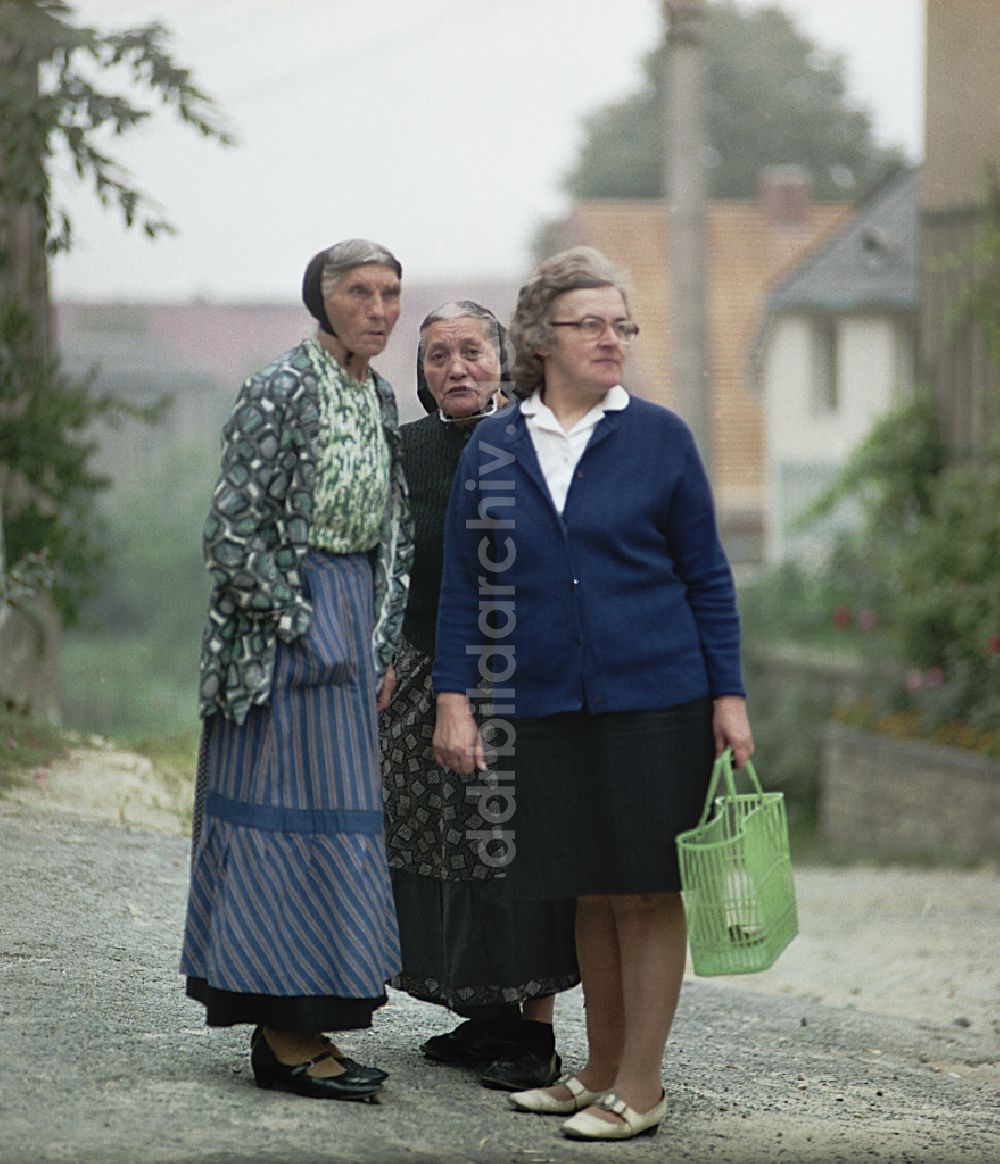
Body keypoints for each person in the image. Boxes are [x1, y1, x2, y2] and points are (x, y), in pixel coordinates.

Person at [432, 247, 754, 1142]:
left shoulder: (660, 436)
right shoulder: (497, 444)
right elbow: (466, 580)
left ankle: (641, 1086)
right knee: (588, 888)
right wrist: (453, 695)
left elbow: (708, 577)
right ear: (543, 338)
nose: (613, 339)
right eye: (593, 325)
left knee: (646, 889)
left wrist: (728, 695)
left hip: (658, 697)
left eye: (622, 324)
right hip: (537, 700)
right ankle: (600, 1070)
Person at [180, 239, 413, 1102]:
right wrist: (298, 626)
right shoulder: (279, 386)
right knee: (284, 826)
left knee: (340, 828)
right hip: (281, 631)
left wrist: (378, 642)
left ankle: (306, 1026)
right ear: (322, 301)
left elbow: (396, 529)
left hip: (353, 620)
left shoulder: (378, 394)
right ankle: (284, 1035)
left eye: (391, 292)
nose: (380, 309)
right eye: (360, 292)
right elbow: (231, 534)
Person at [381, 301, 579, 1092]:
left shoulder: (535, 444)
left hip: (519, 677)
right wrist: (383, 650)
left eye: (471, 350)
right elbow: (382, 558)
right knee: (438, 844)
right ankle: (481, 1014)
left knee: (513, 847)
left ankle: (533, 1031)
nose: (455, 368)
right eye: (437, 356)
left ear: (503, 358)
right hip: (423, 671)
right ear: (422, 373)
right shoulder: (405, 453)